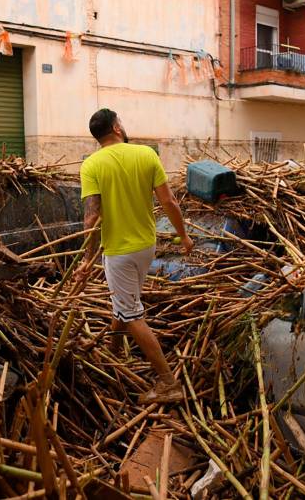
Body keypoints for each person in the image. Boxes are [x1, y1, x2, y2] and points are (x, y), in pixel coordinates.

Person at [75, 108, 194, 404]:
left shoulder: (91, 165)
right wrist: (184, 235)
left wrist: (86, 259)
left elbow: (91, 219)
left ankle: (169, 383)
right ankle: (114, 352)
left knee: (131, 312)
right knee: (124, 303)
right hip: (145, 247)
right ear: (116, 127)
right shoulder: (146, 154)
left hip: (119, 253)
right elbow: (168, 201)